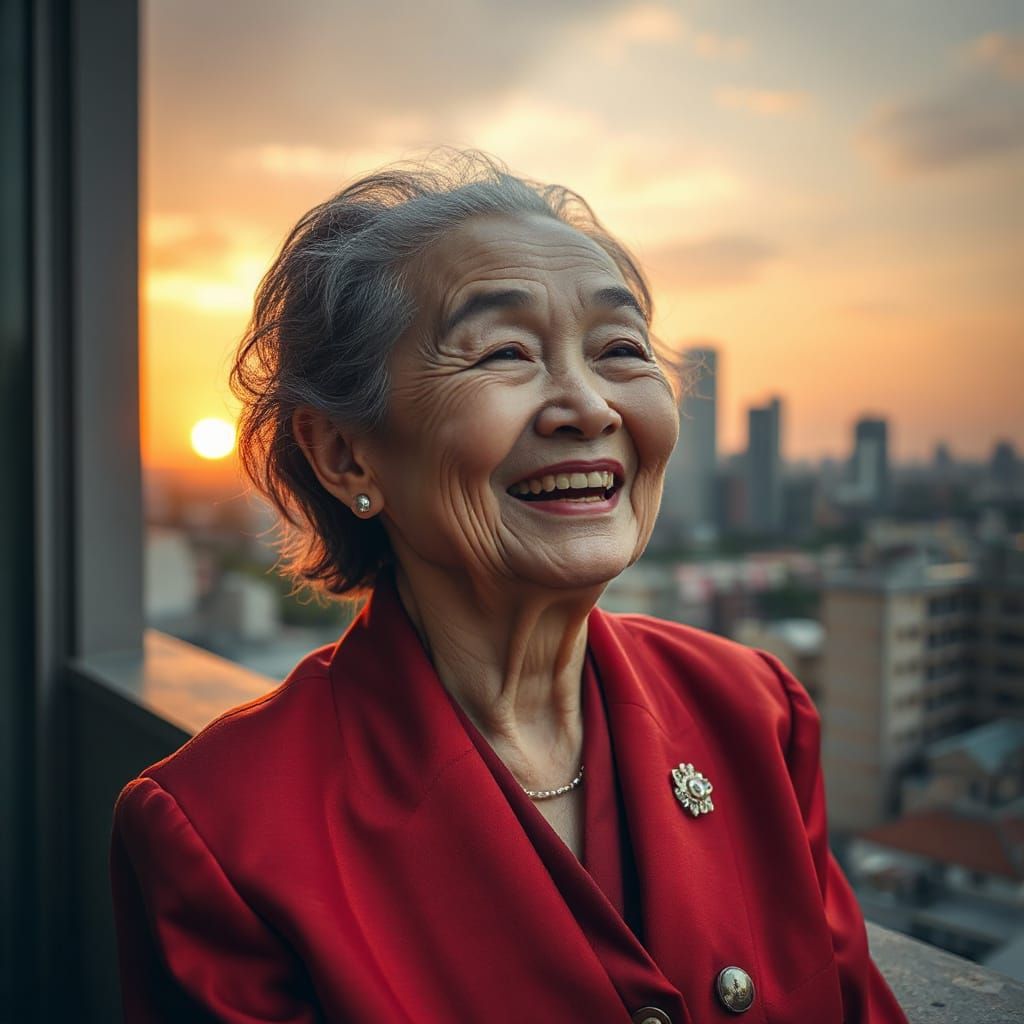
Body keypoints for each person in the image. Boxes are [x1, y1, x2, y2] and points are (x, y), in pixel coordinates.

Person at [110, 151, 908, 1023]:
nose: (590, 406)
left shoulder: (753, 710)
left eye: (619, 349)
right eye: (505, 352)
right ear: (346, 454)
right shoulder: (220, 833)